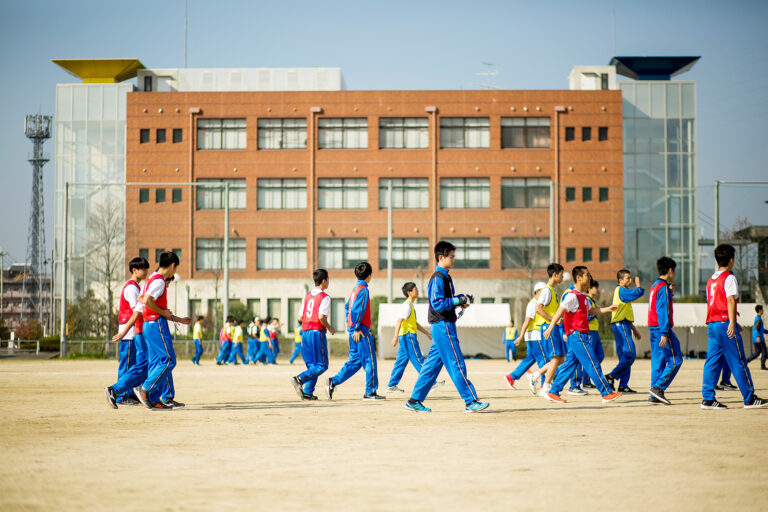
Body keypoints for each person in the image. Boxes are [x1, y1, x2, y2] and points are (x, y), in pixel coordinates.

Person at [405, 241, 489, 413]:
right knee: (456, 363)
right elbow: (437, 303)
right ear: (441, 257)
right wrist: (459, 300)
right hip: (443, 326)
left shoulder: (444, 277)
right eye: (451, 256)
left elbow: (444, 302)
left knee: (431, 367)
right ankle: (470, 401)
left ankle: (414, 400)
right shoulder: (438, 278)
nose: (454, 259)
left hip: (441, 326)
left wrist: (459, 301)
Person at [701, 244, 767, 409]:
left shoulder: (711, 279)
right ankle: (749, 398)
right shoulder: (729, 277)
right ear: (731, 260)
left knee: (712, 361)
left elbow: (714, 301)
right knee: (738, 360)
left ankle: (708, 399)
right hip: (725, 324)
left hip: (713, 323)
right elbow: (730, 300)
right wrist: (732, 322)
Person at [544, 271, 620, 404]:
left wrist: (608, 309)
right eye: (587, 275)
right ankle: (606, 392)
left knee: (569, 365)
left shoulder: (583, 297)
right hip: (577, 335)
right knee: (592, 362)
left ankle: (553, 391)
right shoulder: (571, 296)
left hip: (579, 336)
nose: (590, 277)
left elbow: (592, 311)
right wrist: (551, 327)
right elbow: (559, 311)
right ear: (578, 278)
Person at [132, 251, 191, 410]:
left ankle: (152, 398)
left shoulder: (151, 278)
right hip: (156, 324)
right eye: (176, 268)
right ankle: (144, 388)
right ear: (172, 265)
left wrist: (177, 319)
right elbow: (146, 300)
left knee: (156, 361)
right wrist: (162, 312)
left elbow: (140, 299)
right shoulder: (159, 281)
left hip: (148, 325)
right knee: (169, 360)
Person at [326, 262, 384, 400]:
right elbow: (356, 310)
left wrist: (350, 328)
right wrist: (357, 328)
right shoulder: (363, 290)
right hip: (361, 331)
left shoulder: (354, 290)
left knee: (355, 363)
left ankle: (333, 382)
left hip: (354, 331)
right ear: (369, 276)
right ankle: (370, 392)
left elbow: (347, 307)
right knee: (370, 361)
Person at [104, 256, 149, 408]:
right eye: (143, 268)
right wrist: (124, 333)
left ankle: (127, 393)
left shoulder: (136, 287)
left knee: (133, 365)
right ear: (134, 270)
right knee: (127, 365)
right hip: (129, 333)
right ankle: (121, 396)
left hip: (131, 332)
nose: (145, 271)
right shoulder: (131, 288)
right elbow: (136, 311)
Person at [386, 282, 439, 393]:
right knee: (418, 359)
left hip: (405, 337)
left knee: (400, 362)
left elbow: (415, 323)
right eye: (415, 289)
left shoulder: (409, 305)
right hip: (408, 337)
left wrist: (427, 333)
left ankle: (391, 385)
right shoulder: (407, 306)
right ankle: (432, 383)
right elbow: (399, 320)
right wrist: (395, 337)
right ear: (409, 292)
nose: (417, 291)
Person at [291, 269, 336, 400]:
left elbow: (300, 316)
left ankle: (308, 392)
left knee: (312, 365)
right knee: (322, 365)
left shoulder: (307, 295)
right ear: (324, 280)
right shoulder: (324, 297)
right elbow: (321, 316)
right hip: (316, 332)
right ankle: (300, 379)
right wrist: (330, 327)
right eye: (328, 279)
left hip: (305, 332)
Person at [647, 257, 683, 405]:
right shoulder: (663, 287)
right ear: (670, 271)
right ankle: (658, 388)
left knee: (658, 364)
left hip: (653, 329)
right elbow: (663, 310)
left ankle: (654, 394)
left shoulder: (655, 285)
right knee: (676, 360)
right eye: (674, 271)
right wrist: (664, 332)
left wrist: (671, 294)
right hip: (662, 329)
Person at [527, 263, 564, 397]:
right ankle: (546, 388)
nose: (562, 277)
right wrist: (552, 320)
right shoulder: (547, 290)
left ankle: (535, 376)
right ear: (555, 274)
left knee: (560, 358)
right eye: (561, 274)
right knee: (556, 358)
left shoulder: (552, 291)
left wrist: (556, 319)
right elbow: (538, 309)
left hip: (552, 326)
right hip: (548, 327)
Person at [605, 269, 644, 393]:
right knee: (630, 354)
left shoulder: (622, 291)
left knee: (625, 357)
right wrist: (639, 285)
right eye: (627, 278)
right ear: (620, 281)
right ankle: (611, 376)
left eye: (630, 277)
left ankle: (623, 385)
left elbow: (625, 314)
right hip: (620, 325)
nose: (630, 280)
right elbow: (637, 293)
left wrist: (634, 329)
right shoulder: (622, 290)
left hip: (624, 325)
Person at [504, 282, 548, 390]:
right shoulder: (533, 304)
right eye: (544, 291)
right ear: (537, 292)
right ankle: (544, 384)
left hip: (534, 337)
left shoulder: (538, 303)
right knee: (543, 360)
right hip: (534, 337)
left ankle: (511, 376)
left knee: (531, 359)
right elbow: (526, 321)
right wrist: (520, 336)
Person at [581, 280, 606, 389]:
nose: (597, 289)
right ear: (589, 289)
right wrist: (593, 316)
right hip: (589, 331)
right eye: (595, 287)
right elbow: (585, 316)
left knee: (600, 355)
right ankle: (585, 381)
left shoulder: (592, 300)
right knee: (590, 357)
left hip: (595, 331)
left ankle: (586, 377)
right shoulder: (587, 300)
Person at [747, 305, 768, 370]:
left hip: (757, 339)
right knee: (764, 352)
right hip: (759, 339)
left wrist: (766, 331)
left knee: (757, 353)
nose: (763, 311)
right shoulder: (758, 319)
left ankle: (746, 361)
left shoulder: (758, 318)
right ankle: (762, 366)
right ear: (760, 310)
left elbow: (760, 329)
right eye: (762, 309)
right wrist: (758, 336)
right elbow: (756, 329)